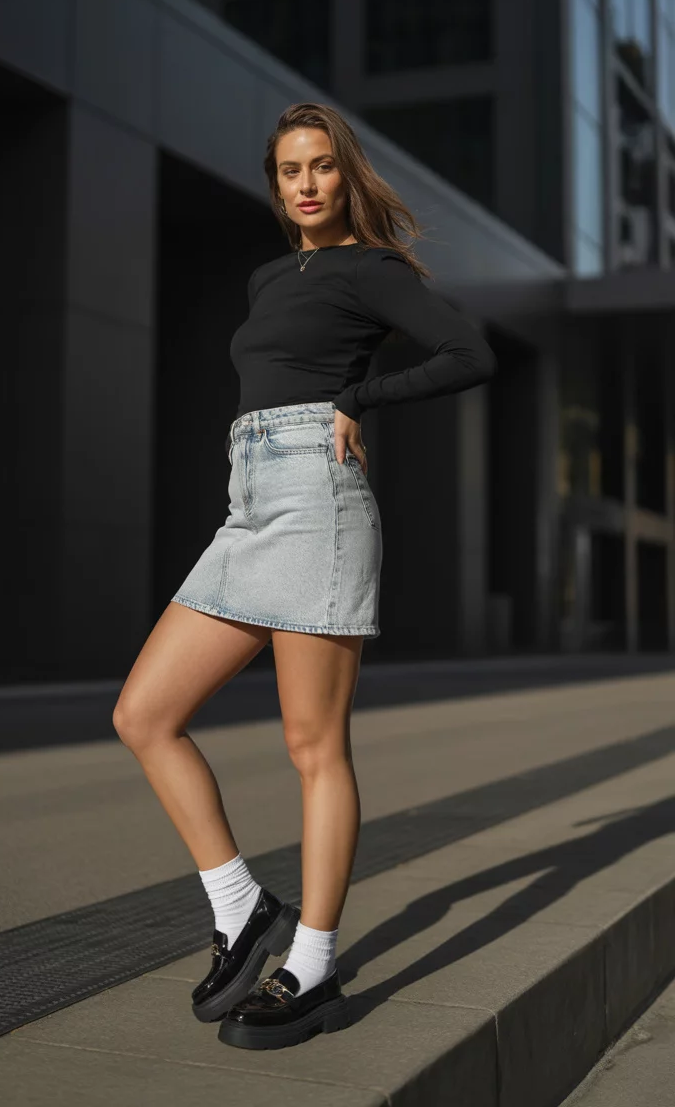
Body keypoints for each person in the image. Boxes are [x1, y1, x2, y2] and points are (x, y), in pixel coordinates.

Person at [113, 102, 497, 1052]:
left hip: (318, 501)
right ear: (277, 185)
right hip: (249, 502)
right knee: (144, 715)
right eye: (291, 170)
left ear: (345, 173)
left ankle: (313, 965)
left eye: (322, 165)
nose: (307, 184)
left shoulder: (374, 268)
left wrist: (360, 396)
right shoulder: (268, 276)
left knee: (312, 744)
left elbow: (469, 354)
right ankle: (240, 906)